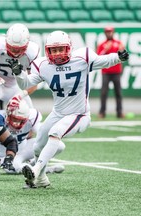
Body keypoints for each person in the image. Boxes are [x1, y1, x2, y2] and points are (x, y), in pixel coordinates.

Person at [10, 30, 129, 188]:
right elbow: (25, 84)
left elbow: (103, 61)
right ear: (48, 50)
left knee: (55, 132)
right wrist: (19, 74)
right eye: (54, 50)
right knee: (38, 145)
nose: (58, 53)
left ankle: (36, 170)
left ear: (69, 48)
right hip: (58, 113)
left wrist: (118, 57)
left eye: (61, 49)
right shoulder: (43, 65)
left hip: (79, 114)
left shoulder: (82, 58)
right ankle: (41, 179)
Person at [0, 98, 65, 176]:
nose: (16, 123)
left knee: (58, 145)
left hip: (24, 149)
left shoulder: (32, 116)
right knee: (13, 167)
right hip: (5, 155)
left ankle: (35, 164)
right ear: (8, 113)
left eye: (20, 120)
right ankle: (44, 169)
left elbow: (42, 133)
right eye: (14, 119)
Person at [0, 23, 39, 111]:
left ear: (27, 46)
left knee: (30, 112)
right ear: (6, 42)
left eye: (20, 49)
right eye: (12, 48)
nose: (15, 53)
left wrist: (20, 95)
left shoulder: (31, 53)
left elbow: (34, 83)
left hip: (14, 86)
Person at [97, 26, 126, 118]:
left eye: (110, 32)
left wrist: (122, 51)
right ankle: (102, 112)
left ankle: (119, 112)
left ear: (113, 32)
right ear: (105, 33)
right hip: (106, 72)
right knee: (104, 93)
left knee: (118, 93)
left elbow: (124, 58)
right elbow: (98, 58)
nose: (109, 33)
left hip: (116, 72)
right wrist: (106, 49)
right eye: (107, 32)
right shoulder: (102, 45)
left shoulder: (119, 44)